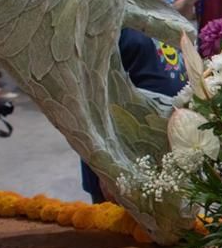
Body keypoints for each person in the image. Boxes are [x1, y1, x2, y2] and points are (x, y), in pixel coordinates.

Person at [80, 30, 188, 201]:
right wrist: (105, 167)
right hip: (122, 162)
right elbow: (89, 94)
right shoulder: (105, 16)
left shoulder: (156, 12)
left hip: (165, 158)